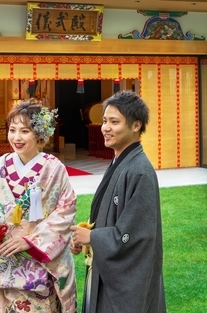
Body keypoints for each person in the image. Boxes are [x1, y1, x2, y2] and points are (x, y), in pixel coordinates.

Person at [0, 99, 77, 313]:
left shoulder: (53, 169)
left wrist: (30, 242)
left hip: (34, 265)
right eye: (12, 130)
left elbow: (65, 211)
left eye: (25, 131)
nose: (16, 137)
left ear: (39, 134)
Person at [70, 90, 166, 313]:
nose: (105, 128)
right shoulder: (121, 163)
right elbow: (113, 216)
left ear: (135, 126)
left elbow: (138, 235)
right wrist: (87, 238)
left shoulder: (139, 171)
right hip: (105, 268)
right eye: (104, 121)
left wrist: (93, 236)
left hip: (127, 283)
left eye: (114, 122)